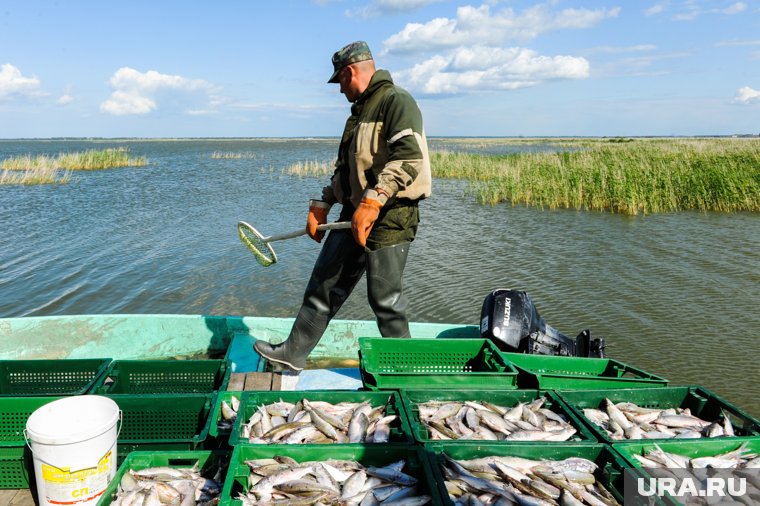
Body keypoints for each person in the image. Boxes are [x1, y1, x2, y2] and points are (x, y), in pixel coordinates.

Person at [254, 40, 432, 372]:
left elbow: (409, 159)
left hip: (391, 216)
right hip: (355, 213)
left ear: (351, 71)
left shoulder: (396, 102)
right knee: (324, 282)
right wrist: (323, 202)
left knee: (385, 301)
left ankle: (405, 372)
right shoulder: (359, 112)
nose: (339, 91)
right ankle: (292, 354)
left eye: (340, 82)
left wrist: (375, 199)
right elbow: (347, 171)